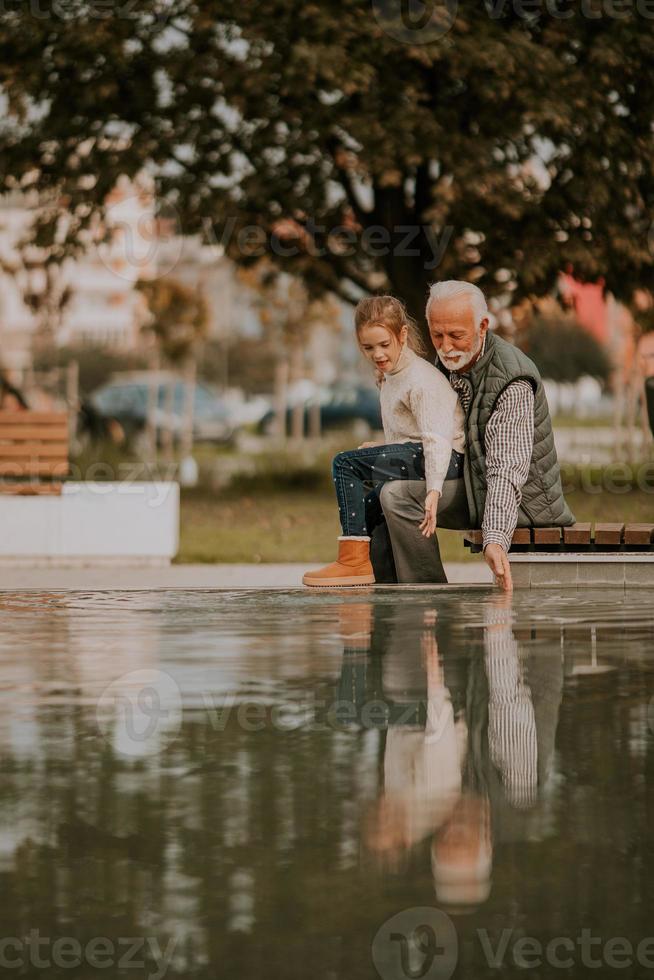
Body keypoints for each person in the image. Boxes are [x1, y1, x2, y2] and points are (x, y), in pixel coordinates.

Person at [375, 281, 575, 592]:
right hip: (472, 484)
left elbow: (506, 471)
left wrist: (494, 538)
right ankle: (385, 596)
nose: (445, 346)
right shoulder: (441, 368)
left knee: (397, 496)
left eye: (456, 335)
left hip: (521, 503)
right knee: (377, 476)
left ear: (482, 326)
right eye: (437, 335)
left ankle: (427, 599)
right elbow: (429, 439)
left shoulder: (512, 378)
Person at [302, 295, 465, 587]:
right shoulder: (391, 376)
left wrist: (434, 491)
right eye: (368, 347)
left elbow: (436, 439)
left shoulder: (420, 379)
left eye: (384, 345)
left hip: (446, 459)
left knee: (345, 465)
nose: (377, 354)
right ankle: (381, 581)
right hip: (423, 454)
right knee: (369, 505)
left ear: (402, 335)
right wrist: (380, 449)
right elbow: (408, 438)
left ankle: (352, 562)